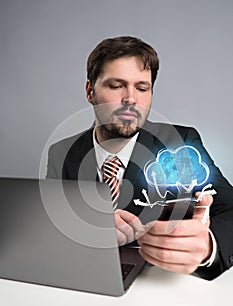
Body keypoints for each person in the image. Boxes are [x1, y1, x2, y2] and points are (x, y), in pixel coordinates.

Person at [47, 36, 233, 280]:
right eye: (116, 86)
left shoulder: (179, 142)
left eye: (142, 88)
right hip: (80, 281)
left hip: (158, 291)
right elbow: (49, 227)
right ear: (90, 91)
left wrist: (209, 245)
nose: (131, 99)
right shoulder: (62, 153)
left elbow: (230, 208)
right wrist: (88, 229)